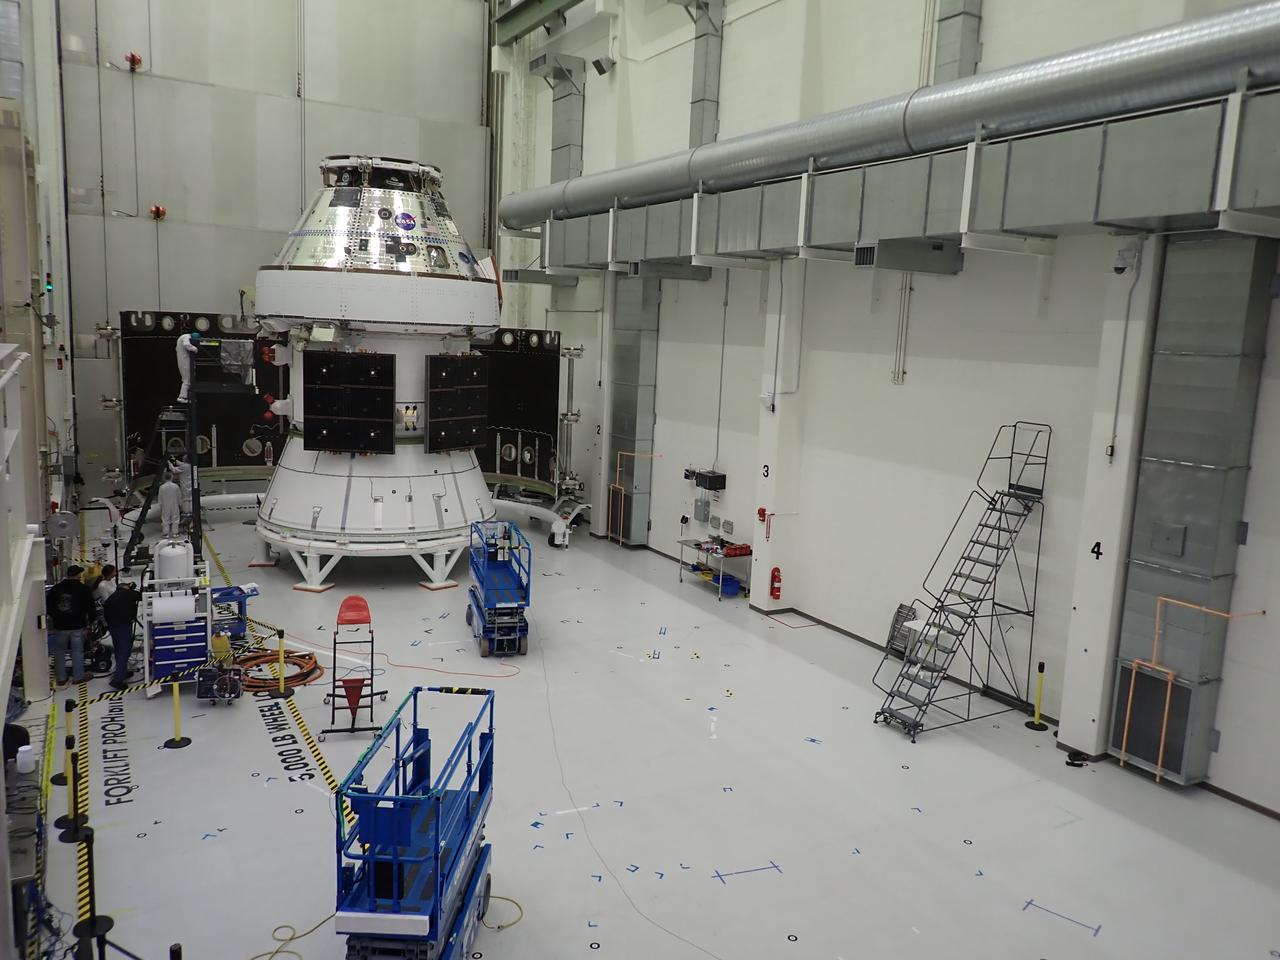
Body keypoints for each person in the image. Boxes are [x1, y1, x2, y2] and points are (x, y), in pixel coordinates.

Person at [46, 565, 94, 686]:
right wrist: (91, 621)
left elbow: (49, 606)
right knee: (77, 651)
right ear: (78, 575)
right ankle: (78, 677)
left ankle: (61, 678)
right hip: (77, 625)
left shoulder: (56, 588)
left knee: (59, 651)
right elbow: (90, 607)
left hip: (60, 626)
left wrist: (55, 617)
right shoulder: (83, 589)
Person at [103, 581, 141, 689]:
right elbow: (140, 596)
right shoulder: (127, 593)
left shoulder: (112, 597)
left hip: (113, 626)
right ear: (125, 588)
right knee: (124, 651)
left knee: (119, 650)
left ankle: (122, 672)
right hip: (123, 626)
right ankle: (118, 680)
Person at [175, 330, 201, 402]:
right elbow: (187, 345)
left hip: (184, 359)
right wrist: (195, 349)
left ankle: (187, 396)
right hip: (184, 361)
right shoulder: (186, 337)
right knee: (187, 380)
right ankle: (182, 397)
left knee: (188, 379)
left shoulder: (184, 337)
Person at [158, 472, 182, 538]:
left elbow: (160, 498)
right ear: (172, 477)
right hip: (175, 504)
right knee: (175, 518)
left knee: (165, 519)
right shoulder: (176, 486)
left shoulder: (162, 487)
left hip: (165, 505)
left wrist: (160, 506)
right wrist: (180, 504)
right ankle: (175, 533)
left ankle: (166, 534)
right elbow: (179, 496)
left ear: (164, 478)